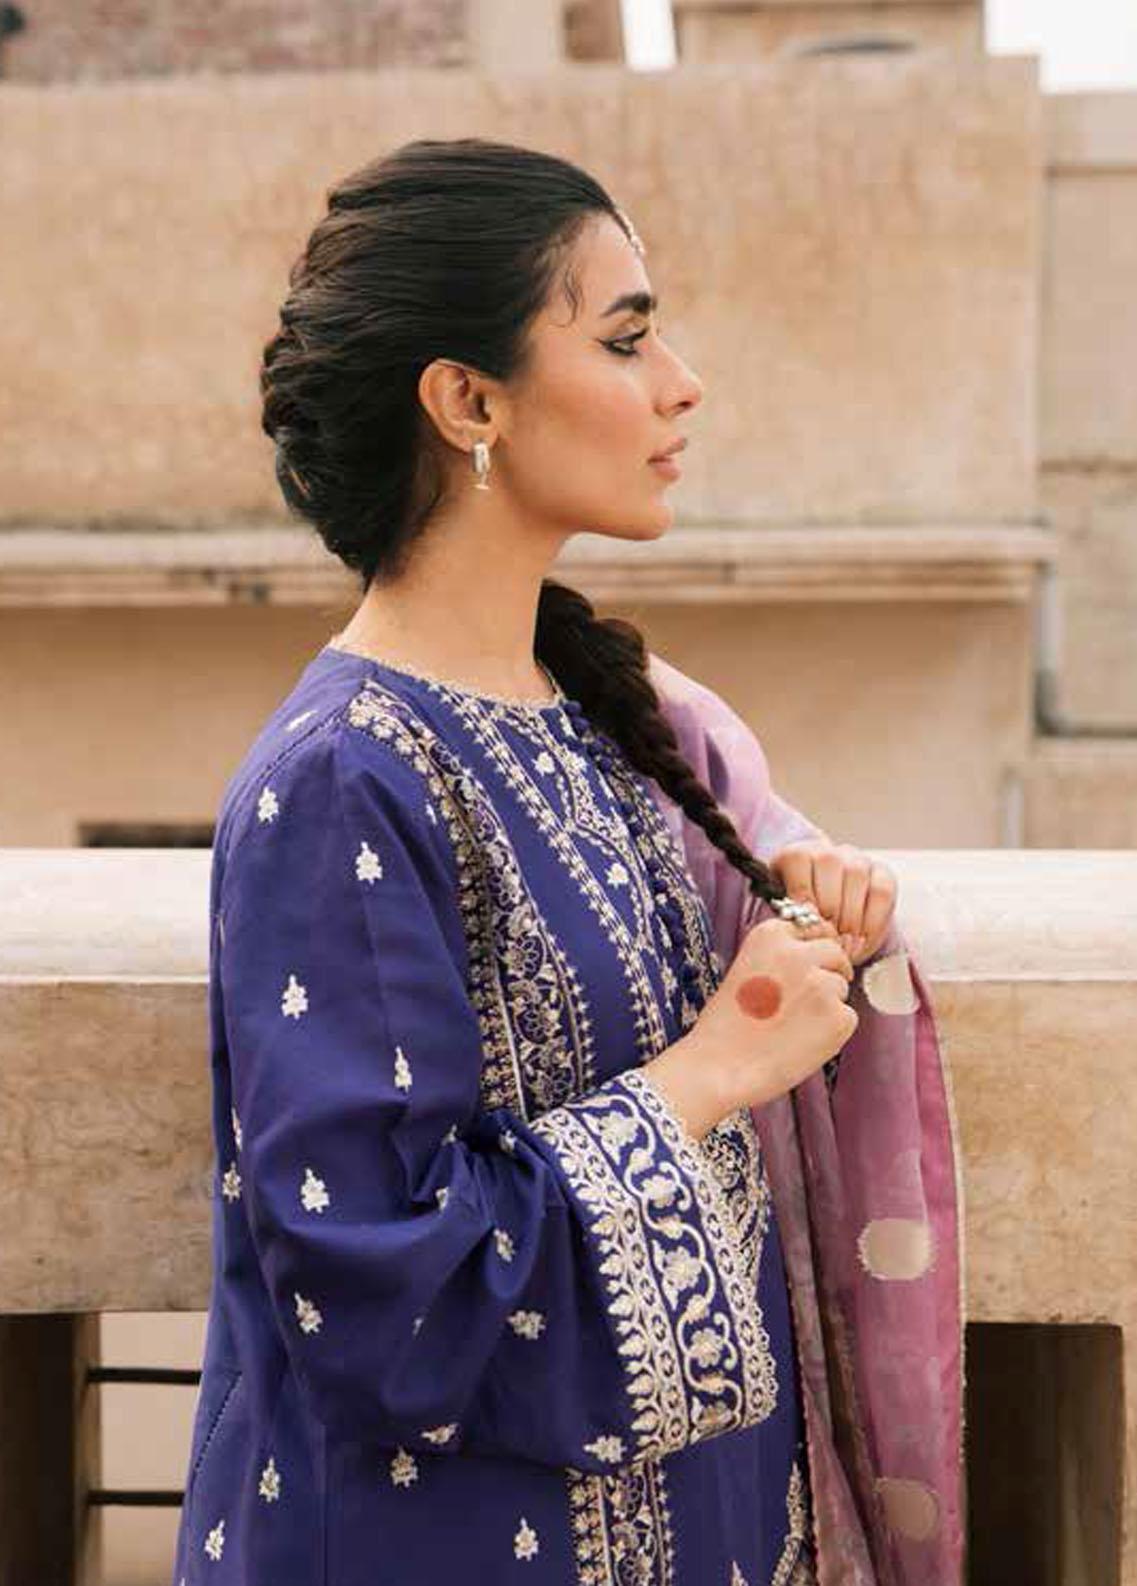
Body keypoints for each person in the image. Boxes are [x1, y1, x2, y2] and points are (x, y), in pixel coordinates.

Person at [172, 137, 964, 1586]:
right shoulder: (342, 779)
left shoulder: (603, 717)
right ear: (468, 402)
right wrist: (713, 1071)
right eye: (625, 337)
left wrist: (798, 905)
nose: (681, 383)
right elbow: (377, 1286)